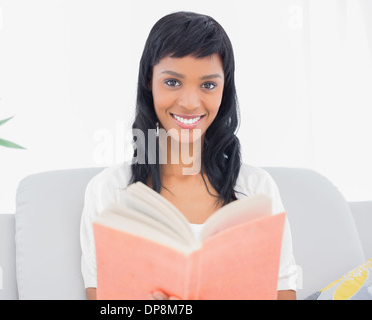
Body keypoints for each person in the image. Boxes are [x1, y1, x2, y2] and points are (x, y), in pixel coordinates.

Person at [80, 10, 298, 300]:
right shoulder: (110, 191)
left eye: (208, 85)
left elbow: (283, 293)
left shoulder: (257, 189)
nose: (190, 102)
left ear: (225, 89)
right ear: (149, 80)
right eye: (172, 82)